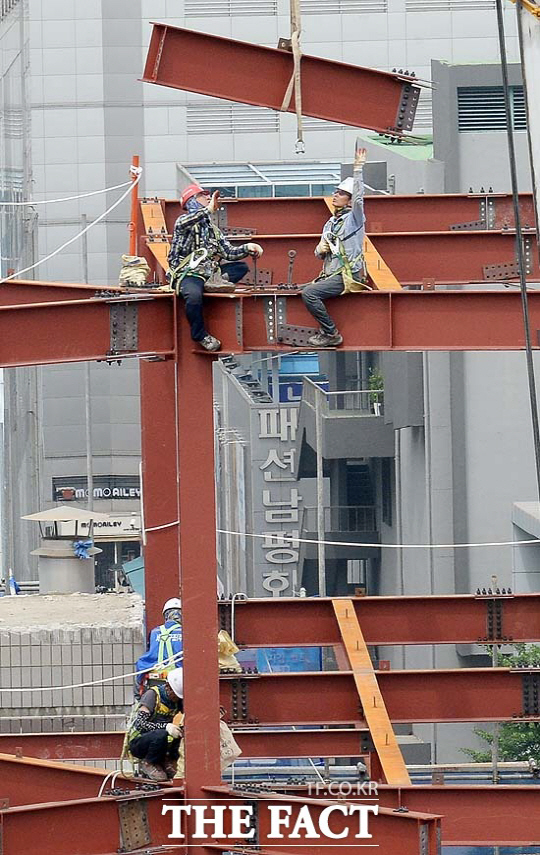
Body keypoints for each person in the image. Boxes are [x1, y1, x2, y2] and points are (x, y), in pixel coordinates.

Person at [168, 184, 263, 352]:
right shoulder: (183, 222)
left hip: (210, 273)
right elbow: (189, 220)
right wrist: (209, 209)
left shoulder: (213, 230)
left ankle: (217, 281)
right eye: (202, 196)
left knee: (241, 267)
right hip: (190, 273)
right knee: (193, 296)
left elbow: (228, 252)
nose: (207, 198)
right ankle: (200, 334)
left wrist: (247, 248)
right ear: (192, 200)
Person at [301, 143, 368, 347]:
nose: (335, 195)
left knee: (309, 293)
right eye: (336, 191)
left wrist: (358, 170)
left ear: (348, 200)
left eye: (340, 193)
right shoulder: (331, 223)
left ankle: (331, 333)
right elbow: (320, 251)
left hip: (348, 274)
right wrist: (320, 250)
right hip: (333, 273)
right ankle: (327, 331)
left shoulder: (354, 219)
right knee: (300, 290)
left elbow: (359, 199)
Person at [127, 668, 184, 782]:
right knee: (161, 734)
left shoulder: (178, 701)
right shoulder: (152, 695)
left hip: (161, 744)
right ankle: (149, 763)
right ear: (168, 687)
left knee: (181, 732)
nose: (176, 698)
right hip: (140, 743)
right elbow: (140, 724)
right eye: (175, 695)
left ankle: (167, 761)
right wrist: (165, 726)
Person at [135, 598, 183, 696]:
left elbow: (150, 651)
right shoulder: (185, 632)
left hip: (154, 679)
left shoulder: (154, 632)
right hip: (179, 678)